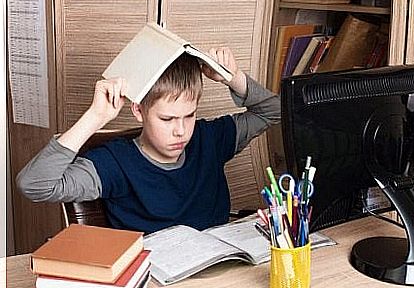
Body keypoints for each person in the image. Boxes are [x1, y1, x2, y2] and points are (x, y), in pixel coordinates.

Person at [17, 47, 280, 234]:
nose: (181, 131)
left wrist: (234, 79)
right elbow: (34, 185)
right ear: (138, 111)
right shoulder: (114, 163)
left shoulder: (210, 138)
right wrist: (95, 117)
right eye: (167, 119)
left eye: (189, 116)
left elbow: (277, 111)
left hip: (219, 274)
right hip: (152, 286)